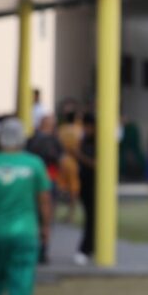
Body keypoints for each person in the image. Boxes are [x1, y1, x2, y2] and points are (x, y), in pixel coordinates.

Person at [0, 118, 51, 295]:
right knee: (22, 282)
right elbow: (44, 200)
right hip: (25, 232)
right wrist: (45, 227)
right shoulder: (34, 164)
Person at [26, 114, 63, 264]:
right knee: (46, 217)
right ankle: (42, 249)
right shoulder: (52, 141)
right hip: (48, 180)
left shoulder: (32, 140)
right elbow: (59, 158)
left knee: (35, 216)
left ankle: (37, 249)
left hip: (36, 182)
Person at [73, 113, 97, 265]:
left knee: (92, 219)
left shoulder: (98, 142)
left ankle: (86, 249)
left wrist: (78, 155)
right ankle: (89, 248)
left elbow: (96, 164)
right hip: (85, 183)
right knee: (90, 218)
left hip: (94, 185)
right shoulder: (84, 141)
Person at [55, 111, 83, 223]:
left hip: (62, 160)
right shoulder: (79, 130)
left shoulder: (61, 130)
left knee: (59, 187)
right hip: (74, 161)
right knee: (73, 189)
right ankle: (70, 215)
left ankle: (54, 212)